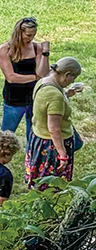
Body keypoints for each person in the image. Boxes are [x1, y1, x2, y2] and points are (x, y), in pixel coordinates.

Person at [25, 56, 85, 187]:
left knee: (39, 183)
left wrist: (67, 93)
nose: (72, 81)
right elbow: (54, 129)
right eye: (72, 78)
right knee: (53, 186)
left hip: (39, 138)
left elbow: (46, 104)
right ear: (67, 74)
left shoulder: (43, 82)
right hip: (51, 146)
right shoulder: (55, 96)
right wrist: (62, 155)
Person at [0, 18, 50, 140]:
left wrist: (45, 53)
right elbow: (11, 77)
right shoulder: (6, 49)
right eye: (28, 35)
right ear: (19, 33)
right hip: (14, 98)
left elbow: (43, 73)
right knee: (6, 134)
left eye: (34, 35)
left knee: (33, 134)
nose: (31, 38)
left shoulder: (36, 48)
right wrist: (35, 77)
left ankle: (30, 157)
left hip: (34, 97)